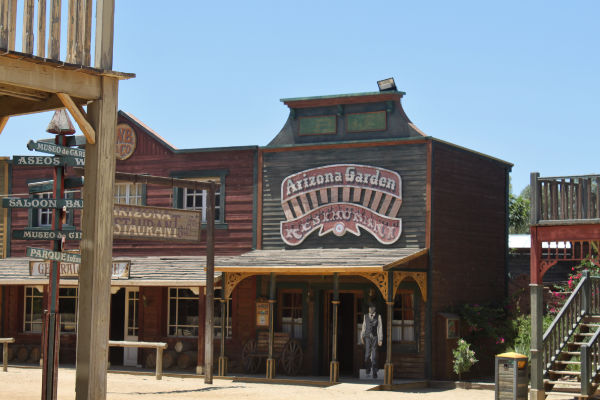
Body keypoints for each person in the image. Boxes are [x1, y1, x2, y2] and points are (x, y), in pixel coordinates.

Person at [360, 304, 382, 378]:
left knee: (374, 356)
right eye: (369, 308)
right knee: (367, 355)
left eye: (372, 308)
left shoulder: (378, 316)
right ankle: (368, 369)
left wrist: (380, 339)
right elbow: (364, 326)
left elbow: (380, 328)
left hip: (375, 337)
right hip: (367, 337)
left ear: (374, 309)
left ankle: (375, 372)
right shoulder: (365, 316)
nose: (370, 309)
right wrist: (361, 336)